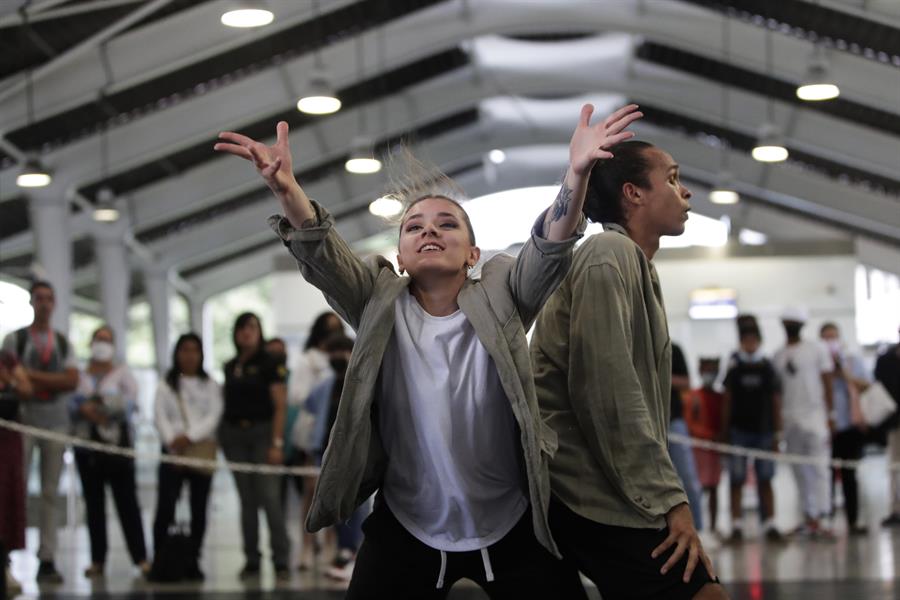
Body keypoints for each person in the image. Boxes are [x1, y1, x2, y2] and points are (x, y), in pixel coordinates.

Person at [214, 101, 639, 598]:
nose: (429, 231)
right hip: (407, 525)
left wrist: (576, 173)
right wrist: (287, 188)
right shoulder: (376, 298)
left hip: (511, 520)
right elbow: (323, 254)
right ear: (400, 255)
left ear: (473, 255)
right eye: (414, 226)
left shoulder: (504, 290)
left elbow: (548, 249)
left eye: (446, 224)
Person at [530, 140, 727, 600]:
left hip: (604, 486)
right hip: (584, 493)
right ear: (633, 193)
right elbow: (608, 392)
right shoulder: (607, 253)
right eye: (673, 178)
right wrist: (669, 500)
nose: (686, 192)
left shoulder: (632, 262)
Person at [1, 280, 79, 583]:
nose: (44, 304)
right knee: (12, 488)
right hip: (22, 422)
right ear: (32, 303)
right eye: (39, 299)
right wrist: (52, 379)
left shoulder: (61, 342)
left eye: (49, 298)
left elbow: (71, 381)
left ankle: (47, 557)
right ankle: (5, 554)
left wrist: (30, 376)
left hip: (55, 423)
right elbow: (14, 383)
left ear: (55, 303)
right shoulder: (15, 341)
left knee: (50, 492)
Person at [70, 325, 149, 577]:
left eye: (107, 339)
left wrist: (101, 408)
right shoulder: (79, 375)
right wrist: (84, 409)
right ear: (90, 343)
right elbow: (71, 404)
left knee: (127, 503)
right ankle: (97, 560)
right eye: (98, 339)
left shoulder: (123, 373)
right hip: (87, 448)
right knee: (94, 505)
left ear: (114, 345)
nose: (101, 344)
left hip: (118, 449)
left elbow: (131, 403)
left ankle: (140, 557)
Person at [219, 313, 291, 580]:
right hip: (234, 436)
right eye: (242, 328)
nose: (247, 333)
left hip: (263, 434)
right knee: (246, 501)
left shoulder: (271, 362)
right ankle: (251, 558)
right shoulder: (230, 365)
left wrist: (277, 442)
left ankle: (281, 558)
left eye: (252, 327)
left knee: (270, 498)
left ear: (260, 332)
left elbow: (280, 405)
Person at [152, 333, 223, 580]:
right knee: (165, 507)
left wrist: (189, 438)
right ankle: (160, 559)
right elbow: (160, 416)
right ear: (177, 353)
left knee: (198, 509)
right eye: (185, 350)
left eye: (194, 350)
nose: (189, 355)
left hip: (199, 451)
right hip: (172, 453)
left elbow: (213, 416)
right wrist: (174, 444)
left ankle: (193, 560)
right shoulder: (166, 384)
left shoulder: (210, 385)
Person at [302, 333, 366, 581]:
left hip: (354, 450)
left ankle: (352, 550)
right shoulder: (324, 386)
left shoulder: (359, 380)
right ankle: (345, 549)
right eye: (333, 353)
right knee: (334, 502)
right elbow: (309, 408)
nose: (337, 358)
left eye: (342, 352)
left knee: (356, 503)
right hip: (325, 451)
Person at [285, 312, 344, 569]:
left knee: (334, 492)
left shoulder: (344, 355)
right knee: (311, 491)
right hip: (313, 432)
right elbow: (297, 396)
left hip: (339, 429)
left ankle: (332, 545)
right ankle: (307, 547)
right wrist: (324, 388)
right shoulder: (308, 360)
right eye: (327, 330)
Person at [773, 307, 834, 538]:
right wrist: (778, 428)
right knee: (799, 471)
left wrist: (831, 414)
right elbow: (777, 394)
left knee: (820, 468)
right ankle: (809, 517)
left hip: (816, 417)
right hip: (790, 420)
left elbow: (827, 380)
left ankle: (824, 515)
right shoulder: (778, 355)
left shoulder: (817, 349)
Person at [721, 325, 782, 542]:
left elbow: (776, 401)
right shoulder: (734, 368)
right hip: (738, 431)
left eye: (752, 340)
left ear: (758, 341)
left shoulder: (767, 368)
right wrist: (725, 430)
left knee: (765, 478)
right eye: (745, 340)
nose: (749, 345)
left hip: (763, 432)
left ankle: (770, 523)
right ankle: (736, 525)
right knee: (736, 479)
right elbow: (727, 399)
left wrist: (777, 433)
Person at [820, 323, 868, 534]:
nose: (831, 341)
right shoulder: (818, 364)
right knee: (825, 475)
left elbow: (867, 384)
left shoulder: (852, 360)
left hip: (849, 425)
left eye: (833, 337)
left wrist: (845, 375)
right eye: (826, 338)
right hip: (826, 426)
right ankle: (826, 521)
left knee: (849, 474)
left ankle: (853, 520)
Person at [0, 350, 33, 596]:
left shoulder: (8, 357)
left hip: (7, 441)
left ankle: (4, 565)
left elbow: (26, 389)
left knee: (6, 501)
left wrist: (8, 379)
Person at [686, 358, 724, 536]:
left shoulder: (720, 397)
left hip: (715, 450)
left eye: (713, 369)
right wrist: (709, 436)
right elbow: (689, 425)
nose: (710, 373)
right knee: (697, 488)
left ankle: (713, 527)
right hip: (698, 449)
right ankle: (696, 526)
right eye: (707, 369)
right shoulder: (693, 396)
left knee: (714, 487)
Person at [668, 343, 704, 529]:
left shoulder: (674, 349)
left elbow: (686, 382)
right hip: (647, 424)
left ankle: (698, 528)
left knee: (688, 478)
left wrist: (661, 375)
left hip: (674, 421)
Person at [876, 329, 900, 526]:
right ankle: (895, 509)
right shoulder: (886, 359)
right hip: (894, 421)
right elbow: (879, 387)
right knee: (894, 467)